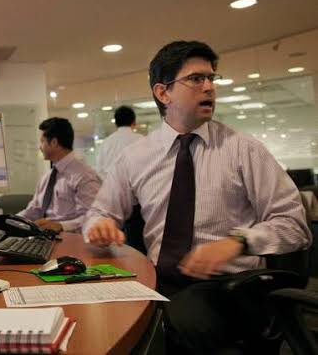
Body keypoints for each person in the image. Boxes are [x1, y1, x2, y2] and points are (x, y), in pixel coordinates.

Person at [83, 40, 311, 354]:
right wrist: (100, 225)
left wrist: (237, 242)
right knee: (98, 315)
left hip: (230, 285)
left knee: (178, 320)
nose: (209, 87)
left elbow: (295, 226)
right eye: (195, 79)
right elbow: (98, 212)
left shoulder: (243, 149)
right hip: (157, 280)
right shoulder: (135, 157)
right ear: (163, 93)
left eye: (211, 78)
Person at [17, 117, 100, 234]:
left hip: (69, 239)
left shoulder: (84, 175)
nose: (40, 147)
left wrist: (61, 226)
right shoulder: (46, 177)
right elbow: (34, 210)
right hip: (43, 237)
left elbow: (93, 218)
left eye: (42, 141)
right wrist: (9, 221)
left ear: (54, 142)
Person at [95, 105, 142, 181]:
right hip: (137, 184)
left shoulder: (106, 143)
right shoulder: (141, 140)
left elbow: (99, 170)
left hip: (111, 185)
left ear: (116, 123)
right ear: (134, 122)